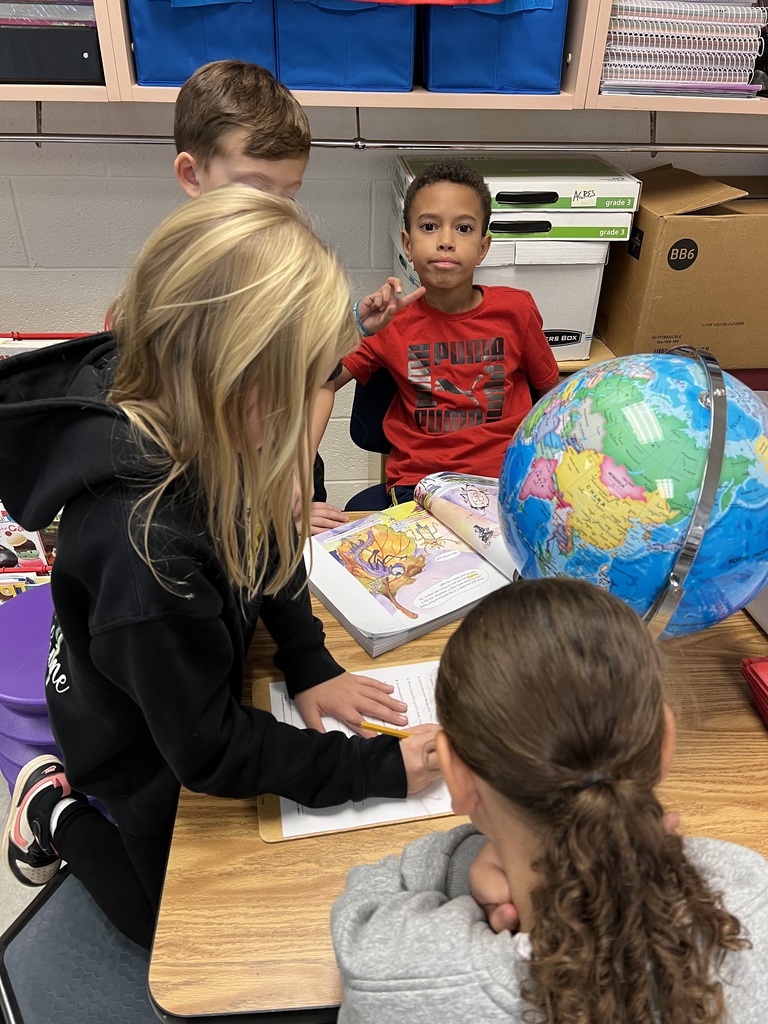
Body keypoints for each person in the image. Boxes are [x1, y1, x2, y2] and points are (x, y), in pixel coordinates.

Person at [0, 187, 440, 950]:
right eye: (308, 382)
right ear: (244, 391)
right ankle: (49, 808)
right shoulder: (149, 558)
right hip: (132, 744)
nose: (317, 402)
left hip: (175, 665)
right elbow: (206, 752)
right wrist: (376, 769)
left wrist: (307, 662)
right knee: (156, 927)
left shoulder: (216, 428)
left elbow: (271, 537)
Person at [332, 579, 768, 1024]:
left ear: (456, 774)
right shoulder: (752, 889)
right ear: (664, 745)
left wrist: (466, 865)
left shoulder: (393, 975)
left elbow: (371, 897)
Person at [171, 59, 415, 532]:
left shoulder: (291, 270)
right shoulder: (173, 294)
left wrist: (353, 325)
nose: (276, 212)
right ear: (192, 175)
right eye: (254, 189)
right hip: (215, 504)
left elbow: (307, 375)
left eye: (289, 193)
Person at [334, 160, 560, 507]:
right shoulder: (390, 320)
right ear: (407, 245)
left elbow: (553, 395)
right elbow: (322, 380)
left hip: (505, 479)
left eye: (464, 229)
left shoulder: (516, 310)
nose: (445, 241)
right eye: (429, 226)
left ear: (483, 248)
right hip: (421, 486)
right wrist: (358, 326)